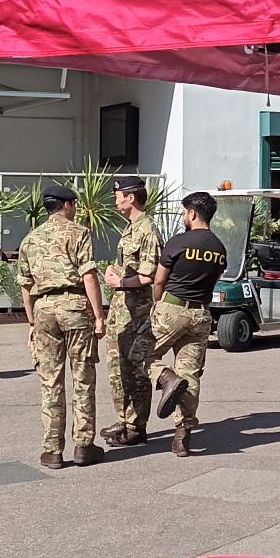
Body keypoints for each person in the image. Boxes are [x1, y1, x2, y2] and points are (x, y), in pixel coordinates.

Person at [18, 182, 107, 469]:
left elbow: (25, 285)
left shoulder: (30, 240)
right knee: (82, 377)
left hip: (43, 309)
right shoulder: (79, 233)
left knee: (50, 381)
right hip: (75, 307)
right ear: (67, 205)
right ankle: (83, 445)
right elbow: (89, 276)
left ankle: (52, 450)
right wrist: (99, 315)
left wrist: (32, 320)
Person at [147, 192, 228, 457]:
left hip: (172, 308)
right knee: (190, 375)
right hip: (201, 314)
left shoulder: (178, 242)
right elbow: (213, 282)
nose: (184, 217)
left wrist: (159, 304)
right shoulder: (219, 248)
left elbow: (159, 280)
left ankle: (165, 377)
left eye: (184, 212)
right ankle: (182, 436)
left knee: (140, 353)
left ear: (192, 213)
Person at [100, 175, 162, 447]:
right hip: (120, 312)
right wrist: (112, 271)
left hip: (138, 314)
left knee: (136, 370)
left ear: (131, 197)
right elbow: (124, 265)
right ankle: (124, 419)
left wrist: (121, 282)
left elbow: (150, 275)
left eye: (118, 195)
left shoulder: (147, 231)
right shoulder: (130, 228)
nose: (115, 199)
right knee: (117, 369)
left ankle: (136, 427)